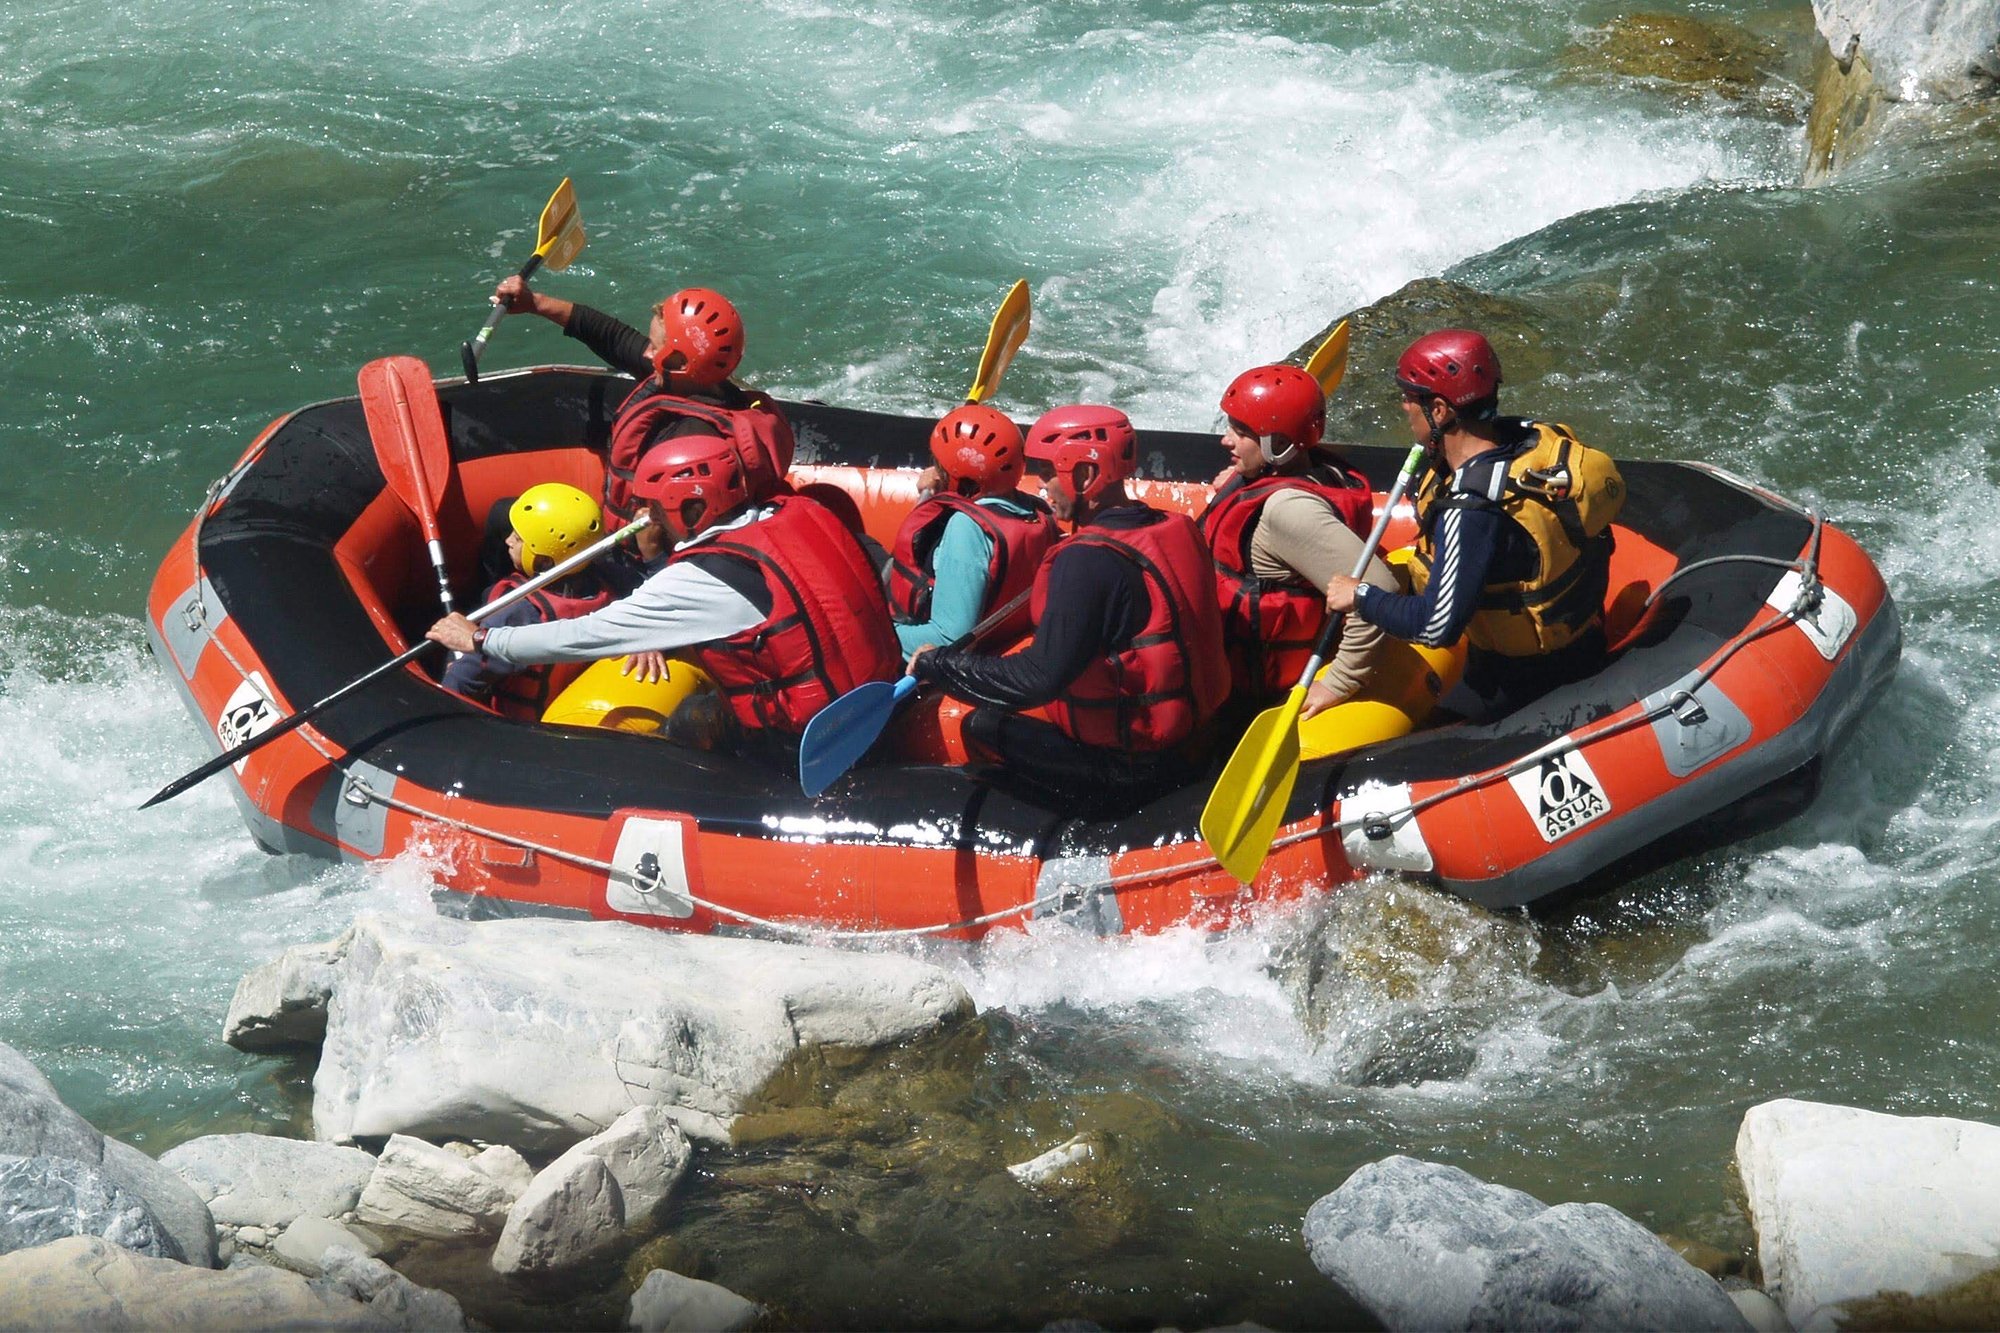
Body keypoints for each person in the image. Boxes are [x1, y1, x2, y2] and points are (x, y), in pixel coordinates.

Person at [427, 434, 899, 752]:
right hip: (873, 695)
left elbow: (586, 635)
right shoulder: (797, 514)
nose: (648, 519)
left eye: (655, 507)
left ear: (692, 507)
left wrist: (481, 640)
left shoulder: (702, 577)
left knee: (679, 731)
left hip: (806, 736)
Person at [909, 405, 1230, 811]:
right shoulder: (1175, 525)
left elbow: (1035, 679)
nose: (1041, 488)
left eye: (1047, 475)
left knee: (978, 725)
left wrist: (936, 664)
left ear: (1085, 475)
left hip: (1130, 771)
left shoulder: (1085, 561)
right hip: (1198, 739)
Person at [1323, 330, 1625, 723]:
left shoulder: (1471, 511)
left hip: (1527, 683)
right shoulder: (1530, 439)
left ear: (1441, 410)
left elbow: (1436, 627)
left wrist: (1360, 595)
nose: (1403, 407)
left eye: (1410, 398)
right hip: (1581, 639)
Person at [485, 277, 795, 549]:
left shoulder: (692, 444)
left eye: (655, 347)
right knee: (503, 514)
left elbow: (683, 541)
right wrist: (535, 302)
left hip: (640, 561)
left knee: (507, 525)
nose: (647, 352)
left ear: (681, 362)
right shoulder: (696, 380)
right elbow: (612, 337)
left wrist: (645, 560)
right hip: (633, 538)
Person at [1198, 363, 1389, 714]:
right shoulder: (1299, 470)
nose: (1226, 440)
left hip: (1262, 690)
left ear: (1280, 444)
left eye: (1241, 432)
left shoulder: (1289, 511)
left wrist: (1340, 681)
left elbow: (1378, 588)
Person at [887, 403, 1058, 655]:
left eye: (940, 464)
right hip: (1006, 636)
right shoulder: (1036, 511)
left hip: (938, 655)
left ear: (961, 477)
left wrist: (880, 635)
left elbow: (949, 637)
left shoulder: (967, 529)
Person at [440, 483, 616, 719]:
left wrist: (452, 672)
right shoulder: (607, 584)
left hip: (520, 720)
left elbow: (462, 680)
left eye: (518, 538)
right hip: (559, 691)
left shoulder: (518, 613)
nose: (508, 541)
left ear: (544, 562)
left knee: (479, 609)